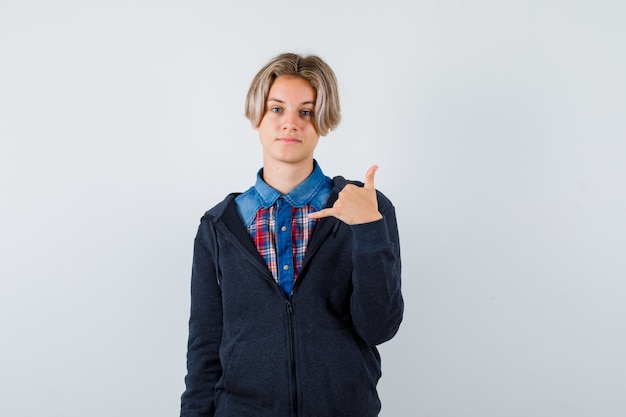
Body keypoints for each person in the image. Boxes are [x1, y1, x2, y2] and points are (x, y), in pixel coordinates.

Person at [180, 52, 403, 417]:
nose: (290, 124)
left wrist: (369, 230)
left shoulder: (366, 208)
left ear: (323, 121)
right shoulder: (219, 226)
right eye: (277, 109)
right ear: (258, 117)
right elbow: (204, 352)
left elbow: (379, 327)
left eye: (306, 111)